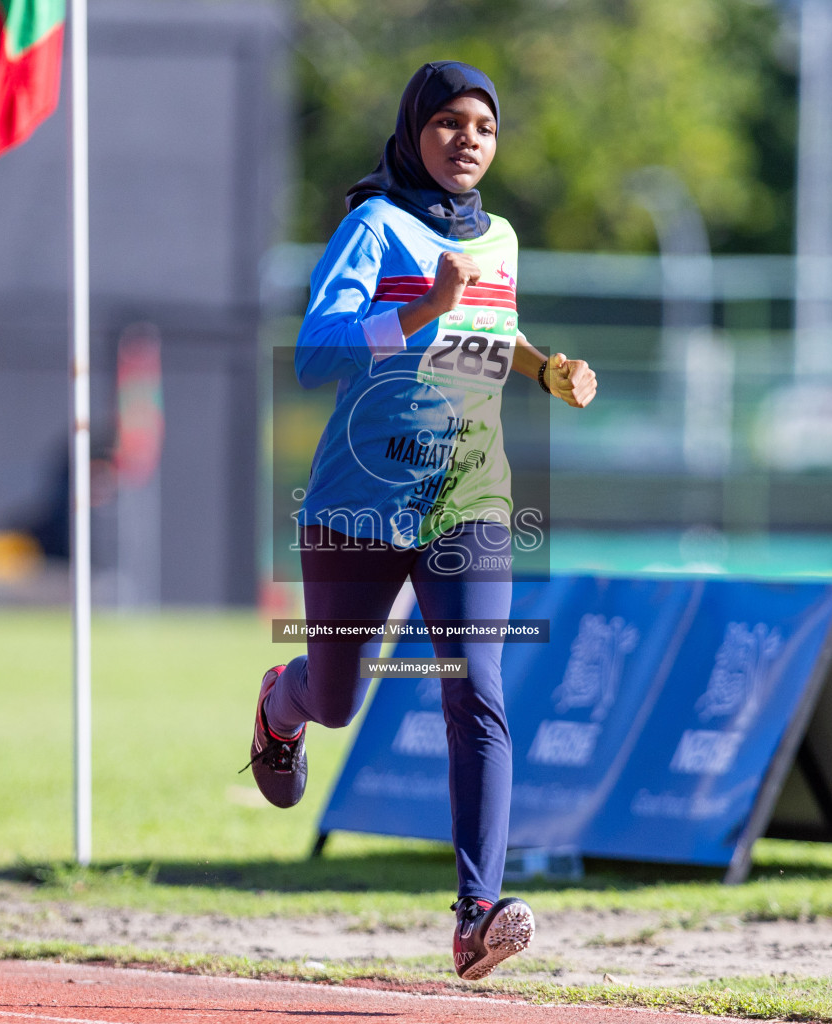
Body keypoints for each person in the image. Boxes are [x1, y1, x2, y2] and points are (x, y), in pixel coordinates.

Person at [245, 61, 598, 980]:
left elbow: (489, 333)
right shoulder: (374, 226)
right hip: (361, 500)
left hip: (470, 501)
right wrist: (420, 310)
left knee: (477, 690)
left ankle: (478, 913)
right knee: (339, 699)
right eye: (446, 122)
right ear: (413, 132)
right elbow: (316, 357)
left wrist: (544, 369)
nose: (467, 139)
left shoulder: (504, 237)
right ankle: (283, 705)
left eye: (482, 125)